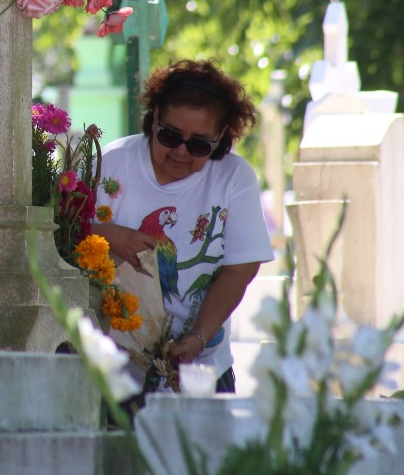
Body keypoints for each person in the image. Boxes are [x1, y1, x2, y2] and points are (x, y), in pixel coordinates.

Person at [95, 58, 273, 393]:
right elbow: (66, 234)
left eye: (198, 144)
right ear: (155, 116)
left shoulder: (234, 178)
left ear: (220, 138)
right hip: (116, 373)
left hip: (202, 372)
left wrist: (198, 337)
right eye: (169, 135)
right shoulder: (112, 163)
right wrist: (110, 235)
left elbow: (241, 269)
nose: (180, 151)